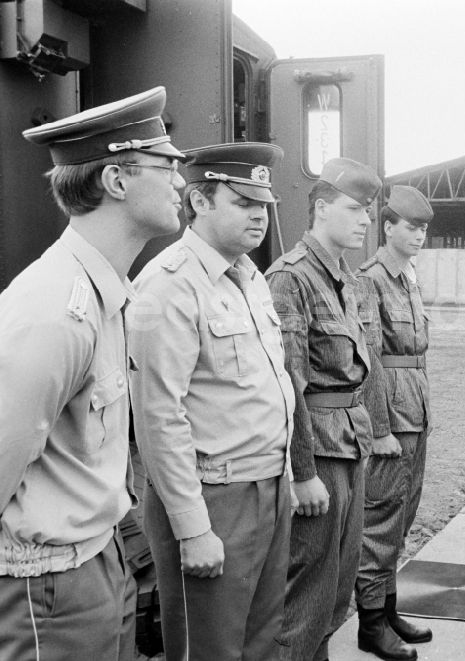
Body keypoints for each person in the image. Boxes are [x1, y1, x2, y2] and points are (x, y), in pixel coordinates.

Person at [0, 87, 185, 661]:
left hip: (96, 558)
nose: (181, 182)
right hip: (48, 583)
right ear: (117, 180)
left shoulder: (104, 293)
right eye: (167, 164)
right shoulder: (55, 309)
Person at [129, 142, 295, 661]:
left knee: (262, 640)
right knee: (210, 648)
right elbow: (158, 418)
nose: (259, 215)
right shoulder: (168, 285)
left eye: (262, 204)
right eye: (243, 201)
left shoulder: (250, 278)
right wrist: (192, 526)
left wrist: (285, 476)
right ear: (199, 202)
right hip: (214, 496)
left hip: (268, 483)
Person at [264, 158, 391, 661]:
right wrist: (301, 472)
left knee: (336, 590)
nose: (366, 221)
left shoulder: (346, 279)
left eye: (368, 212)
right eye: (355, 209)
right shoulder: (290, 279)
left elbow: (366, 363)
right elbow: (289, 385)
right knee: (307, 594)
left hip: (348, 443)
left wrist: (377, 430)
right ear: (320, 208)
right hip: (317, 452)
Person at [354, 185, 435, 656]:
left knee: (402, 516)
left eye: (424, 228)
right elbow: (371, 360)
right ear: (387, 227)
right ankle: (370, 626)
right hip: (393, 417)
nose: (419, 235)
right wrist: (380, 429)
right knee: (381, 518)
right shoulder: (371, 279)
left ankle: (387, 611)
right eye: (411, 226)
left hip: (415, 411)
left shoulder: (408, 278)